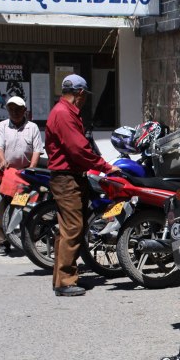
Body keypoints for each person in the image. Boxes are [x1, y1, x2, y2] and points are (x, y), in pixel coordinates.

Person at [44, 74, 120, 297]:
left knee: (66, 229)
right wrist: (105, 166)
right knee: (73, 229)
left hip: (68, 176)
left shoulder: (64, 112)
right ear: (79, 94)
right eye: (84, 95)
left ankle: (61, 278)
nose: (85, 99)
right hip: (66, 178)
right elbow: (78, 148)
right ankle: (65, 282)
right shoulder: (64, 114)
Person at [0, 96, 44, 255]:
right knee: (2, 207)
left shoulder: (32, 127)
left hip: (25, 173)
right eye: (11, 109)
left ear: (24, 111)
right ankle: (3, 242)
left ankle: (29, 240)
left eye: (17, 109)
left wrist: (32, 168)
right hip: (7, 172)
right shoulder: (2, 126)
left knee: (28, 207)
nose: (14, 112)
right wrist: (1, 160)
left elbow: (37, 150)